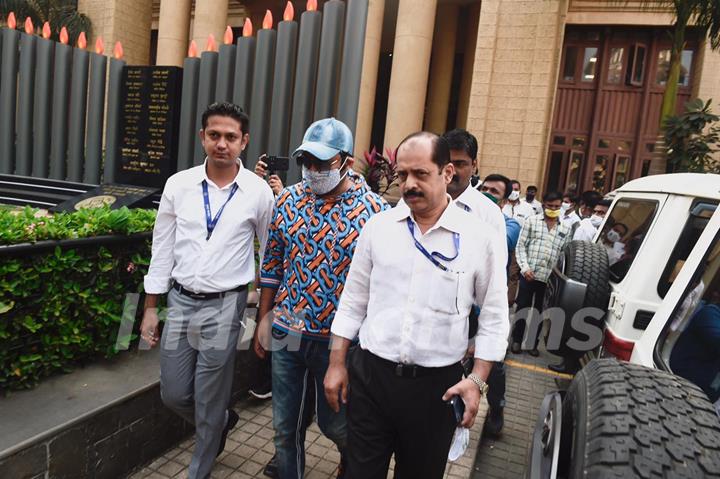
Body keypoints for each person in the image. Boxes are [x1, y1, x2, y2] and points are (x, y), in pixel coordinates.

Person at [324, 132, 509, 479]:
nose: (409, 184)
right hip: (371, 380)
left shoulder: (478, 238)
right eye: (403, 174)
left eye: (420, 174)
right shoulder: (378, 229)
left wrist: (478, 380)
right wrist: (337, 363)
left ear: (447, 173)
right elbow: (352, 302)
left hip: (436, 390)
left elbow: (496, 317)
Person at [140, 102, 275, 479]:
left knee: (209, 394)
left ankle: (200, 466)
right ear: (202, 137)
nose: (221, 144)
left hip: (225, 306)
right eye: (214, 135)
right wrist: (151, 308)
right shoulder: (178, 185)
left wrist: (265, 313)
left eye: (230, 137)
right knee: (174, 393)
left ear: (243, 141)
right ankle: (222, 421)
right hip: (180, 301)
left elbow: (271, 256)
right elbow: (162, 250)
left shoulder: (258, 192)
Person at [253, 118, 388, 479]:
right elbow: (272, 265)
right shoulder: (289, 201)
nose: (312, 170)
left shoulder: (375, 212)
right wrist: (262, 322)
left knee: (336, 425)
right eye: (306, 161)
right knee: (285, 428)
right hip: (288, 332)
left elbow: (380, 283)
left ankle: (350, 453)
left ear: (346, 161)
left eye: (322, 162)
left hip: (339, 343)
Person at [478, 173, 521, 437]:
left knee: (495, 363)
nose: (487, 193)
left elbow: (499, 244)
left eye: (494, 191)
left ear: (504, 201)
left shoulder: (511, 224)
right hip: (460, 306)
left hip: (489, 307)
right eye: (484, 188)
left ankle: (497, 408)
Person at [511, 191, 572, 356]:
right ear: (543, 205)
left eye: (557, 207)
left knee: (541, 311)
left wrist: (557, 276)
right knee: (523, 308)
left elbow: (564, 255)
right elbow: (521, 246)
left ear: (561, 207)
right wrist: (525, 268)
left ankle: (532, 344)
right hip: (529, 275)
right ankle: (516, 340)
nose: (553, 209)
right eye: (550, 206)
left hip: (548, 279)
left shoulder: (566, 228)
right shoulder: (532, 221)